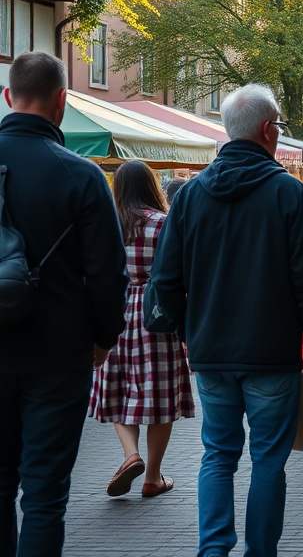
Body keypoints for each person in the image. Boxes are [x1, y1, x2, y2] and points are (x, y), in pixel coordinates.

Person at [150, 84, 303, 556]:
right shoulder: (289, 193)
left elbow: (165, 278)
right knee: (268, 459)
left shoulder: (189, 196)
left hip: (210, 351)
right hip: (272, 350)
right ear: (269, 131)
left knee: (217, 455)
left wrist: (189, 330)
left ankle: (213, 550)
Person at [0, 52, 128, 556]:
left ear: (9, 96)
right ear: (62, 102)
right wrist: (103, 339)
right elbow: (106, 274)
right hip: (59, 353)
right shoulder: (83, 176)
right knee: (45, 494)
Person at [89, 160, 194, 500]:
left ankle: (130, 454)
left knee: (118, 391)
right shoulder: (164, 224)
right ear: (151, 186)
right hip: (157, 315)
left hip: (115, 313)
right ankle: (152, 476)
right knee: (160, 398)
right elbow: (180, 271)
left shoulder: (106, 224)